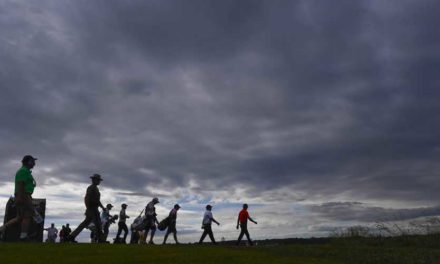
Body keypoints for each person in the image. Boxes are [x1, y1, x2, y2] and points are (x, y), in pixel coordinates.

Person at [0, 155, 38, 241]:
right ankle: (23, 236)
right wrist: (21, 197)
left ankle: (2, 230)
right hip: (24, 195)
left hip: (24, 195)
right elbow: (20, 184)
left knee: (19, 218)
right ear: (28, 162)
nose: (34, 163)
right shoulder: (23, 171)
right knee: (27, 216)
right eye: (33, 161)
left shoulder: (26, 172)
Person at [66, 174, 106, 243]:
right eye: (98, 180)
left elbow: (97, 200)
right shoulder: (91, 188)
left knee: (84, 224)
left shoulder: (96, 189)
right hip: (92, 209)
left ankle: (71, 237)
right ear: (94, 180)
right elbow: (87, 198)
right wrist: (88, 208)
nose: (99, 182)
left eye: (99, 180)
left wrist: (102, 207)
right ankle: (101, 240)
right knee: (98, 224)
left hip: (94, 209)